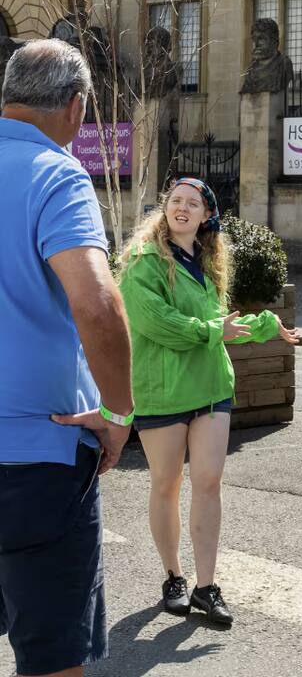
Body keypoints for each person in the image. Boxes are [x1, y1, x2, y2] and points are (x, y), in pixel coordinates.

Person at [0, 39, 134, 677]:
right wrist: (117, 411)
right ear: (77, 108)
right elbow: (99, 305)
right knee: (52, 658)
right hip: (37, 462)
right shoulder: (56, 173)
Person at [118, 178, 299, 627]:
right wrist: (214, 332)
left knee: (209, 480)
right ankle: (173, 577)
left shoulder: (208, 262)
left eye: (192, 203)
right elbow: (158, 322)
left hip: (212, 385)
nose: (182, 207)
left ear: (205, 215)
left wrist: (266, 323)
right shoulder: (143, 261)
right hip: (162, 389)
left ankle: (206, 586)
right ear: (165, 210)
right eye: (175, 201)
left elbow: (220, 322)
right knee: (165, 484)